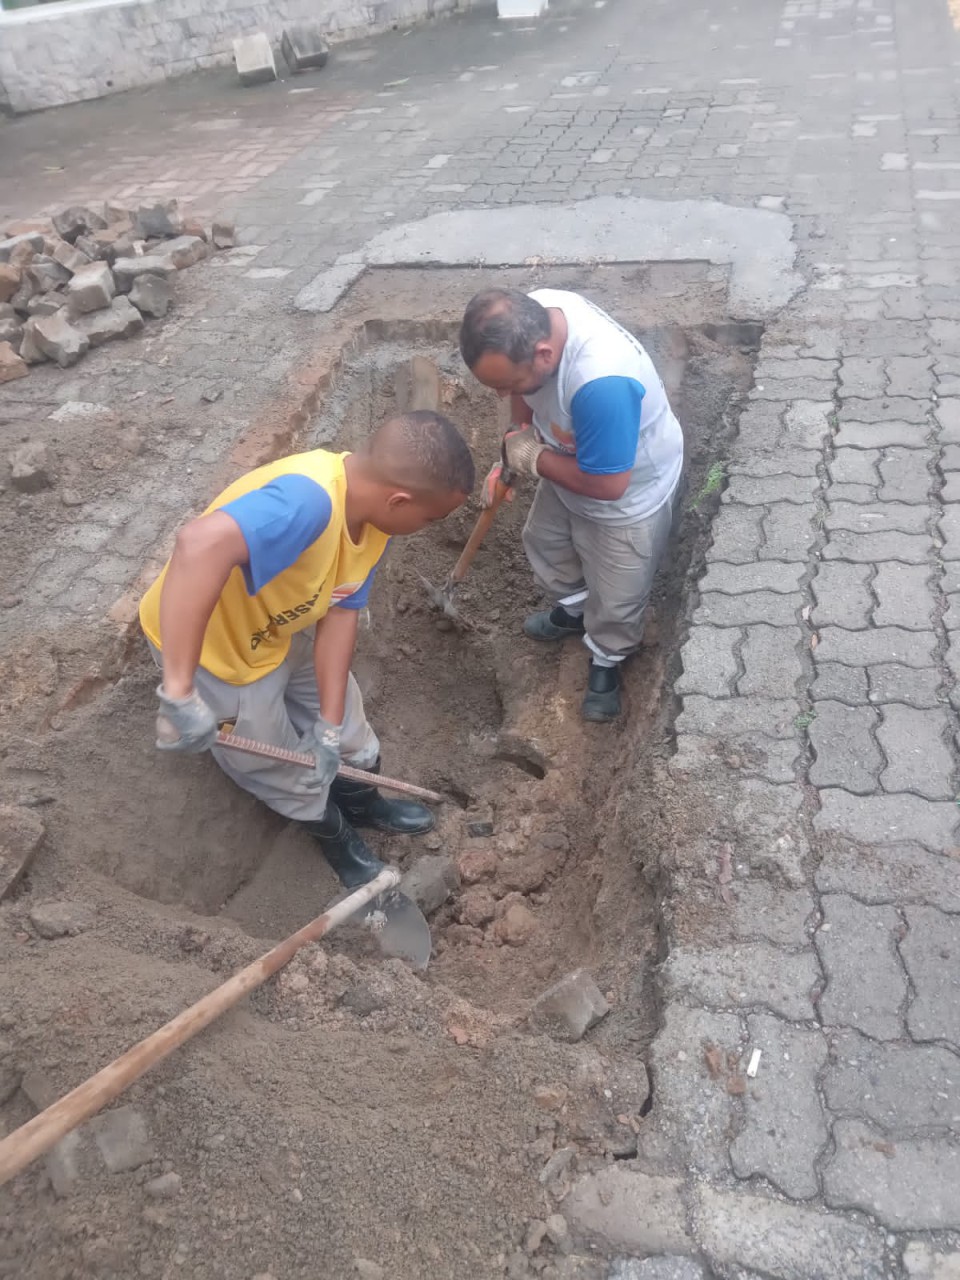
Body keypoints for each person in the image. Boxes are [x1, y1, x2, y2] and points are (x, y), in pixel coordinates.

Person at [138, 411, 475, 890]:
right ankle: (332, 832)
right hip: (221, 658)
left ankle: (363, 803)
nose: (427, 527)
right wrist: (179, 689)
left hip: (278, 628)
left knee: (351, 728)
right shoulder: (307, 503)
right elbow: (196, 544)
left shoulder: (371, 520)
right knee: (276, 762)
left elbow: (341, 614)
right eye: (430, 518)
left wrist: (331, 727)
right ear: (399, 500)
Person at [459, 287, 684, 723]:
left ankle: (607, 658)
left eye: (508, 385)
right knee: (543, 540)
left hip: (627, 493)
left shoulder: (602, 382)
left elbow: (608, 485)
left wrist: (535, 458)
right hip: (571, 458)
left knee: (619, 598)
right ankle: (578, 612)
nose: (503, 393)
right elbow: (522, 401)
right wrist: (517, 435)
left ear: (544, 355)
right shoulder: (533, 315)